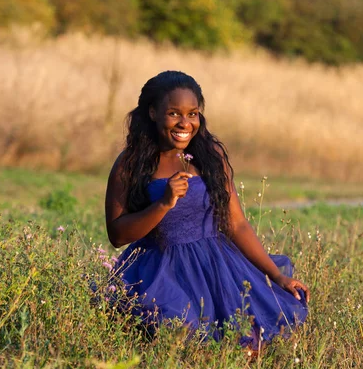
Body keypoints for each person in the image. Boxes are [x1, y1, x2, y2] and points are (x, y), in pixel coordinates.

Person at [105, 71, 309, 349]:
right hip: (162, 273)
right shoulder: (130, 163)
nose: (185, 123)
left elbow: (236, 224)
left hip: (218, 268)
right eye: (174, 113)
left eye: (193, 113)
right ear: (153, 112)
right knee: (181, 343)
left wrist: (278, 275)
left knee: (245, 347)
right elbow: (117, 235)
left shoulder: (210, 155)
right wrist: (163, 204)